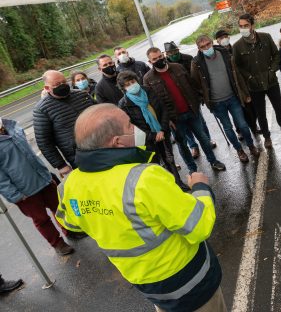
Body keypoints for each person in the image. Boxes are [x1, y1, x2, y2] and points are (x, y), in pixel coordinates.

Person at [55, 104, 225, 312]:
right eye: (129, 125)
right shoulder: (144, 179)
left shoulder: (69, 185)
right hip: (189, 282)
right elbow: (199, 225)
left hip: (146, 284)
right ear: (117, 142)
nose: (135, 127)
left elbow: (71, 222)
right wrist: (201, 187)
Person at [0, 118, 77, 255]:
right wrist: (15, 196)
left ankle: (70, 230)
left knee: (59, 207)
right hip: (25, 192)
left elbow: (29, 154)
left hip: (43, 179)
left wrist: (46, 174)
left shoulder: (11, 126)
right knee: (41, 219)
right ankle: (57, 243)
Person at [143, 47, 226, 173]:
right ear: (150, 62)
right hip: (174, 119)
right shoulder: (148, 79)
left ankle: (213, 161)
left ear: (163, 55)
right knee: (182, 145)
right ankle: (192, 169)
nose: (159, 60)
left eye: (160, 56)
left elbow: (192, 84)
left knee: (203, 138)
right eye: (154, 59)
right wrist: (166, 120)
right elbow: (154, 103)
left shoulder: (177, 67)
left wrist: (197, 101)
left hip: (192, 111)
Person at [191, 35, 260, 163]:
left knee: (243, 125)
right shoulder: (196, 63)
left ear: (212, 43)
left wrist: (245, 93)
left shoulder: (225, 54)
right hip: (216, 103)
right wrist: (204, 98)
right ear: (199, 49)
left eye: (208, 44)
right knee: (228, 128)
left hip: (233, 98)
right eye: (203, 47)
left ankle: (251, 145)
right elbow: (196, 83)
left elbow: (237, 75)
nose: (207, 48)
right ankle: (239, 150)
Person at [117, 70, 189, 191]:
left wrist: (162, 129)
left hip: (162, 132)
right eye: (127, 84)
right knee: (154, 165)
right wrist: (152, 135)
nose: (132, 85)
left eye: (133, 81)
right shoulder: (124, 104)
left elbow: (163, 110)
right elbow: (132, 126)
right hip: (147, 140)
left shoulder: (148, 91)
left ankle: (178, 183)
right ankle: (165, 189)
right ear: (123, 88)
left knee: (169, 159)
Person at [232, 13, 281, 149]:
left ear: (252, 25)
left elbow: (276, 55)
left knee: (279, 109)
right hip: (254, 86)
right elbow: (237, 66)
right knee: (261, 114)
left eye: (246, 25)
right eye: (241, 26)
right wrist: (249, 77)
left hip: (271, 81)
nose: (243, 28)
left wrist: (272, 71)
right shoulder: (237, 46)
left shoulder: (265, 37)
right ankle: (267, 137)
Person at [33, 70, 95, 175]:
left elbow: (100, 114)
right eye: (57, 84)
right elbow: (44, 142)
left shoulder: (82, 95)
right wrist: (61, 165)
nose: (62, 86)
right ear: (47, 88)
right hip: (79, 156)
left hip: (103, 144)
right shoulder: (42, 110)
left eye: (64, 82)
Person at [164, 41, 216, 158]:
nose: (173, 54)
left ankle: (208, 140)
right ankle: (194, 146)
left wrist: (200, 95)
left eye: (175, 51)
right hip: (178, 102)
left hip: (192, 99)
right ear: (166, 54)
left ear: (178, 50)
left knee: (201, 123)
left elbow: (195, 78)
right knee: (186, 129)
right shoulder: (165, 65)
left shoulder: (188, 59)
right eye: (170, 52)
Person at [215, 29, 261, 139]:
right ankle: (239, 130)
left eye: (225, 37)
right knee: (238, 111)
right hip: (232, 87)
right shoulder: (219, 54)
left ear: (229, 37)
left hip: (244, 82)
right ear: (217, 40)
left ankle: (254, 125)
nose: (224, 39)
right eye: (221, 38)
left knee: (251, 107)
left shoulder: (235, 49)